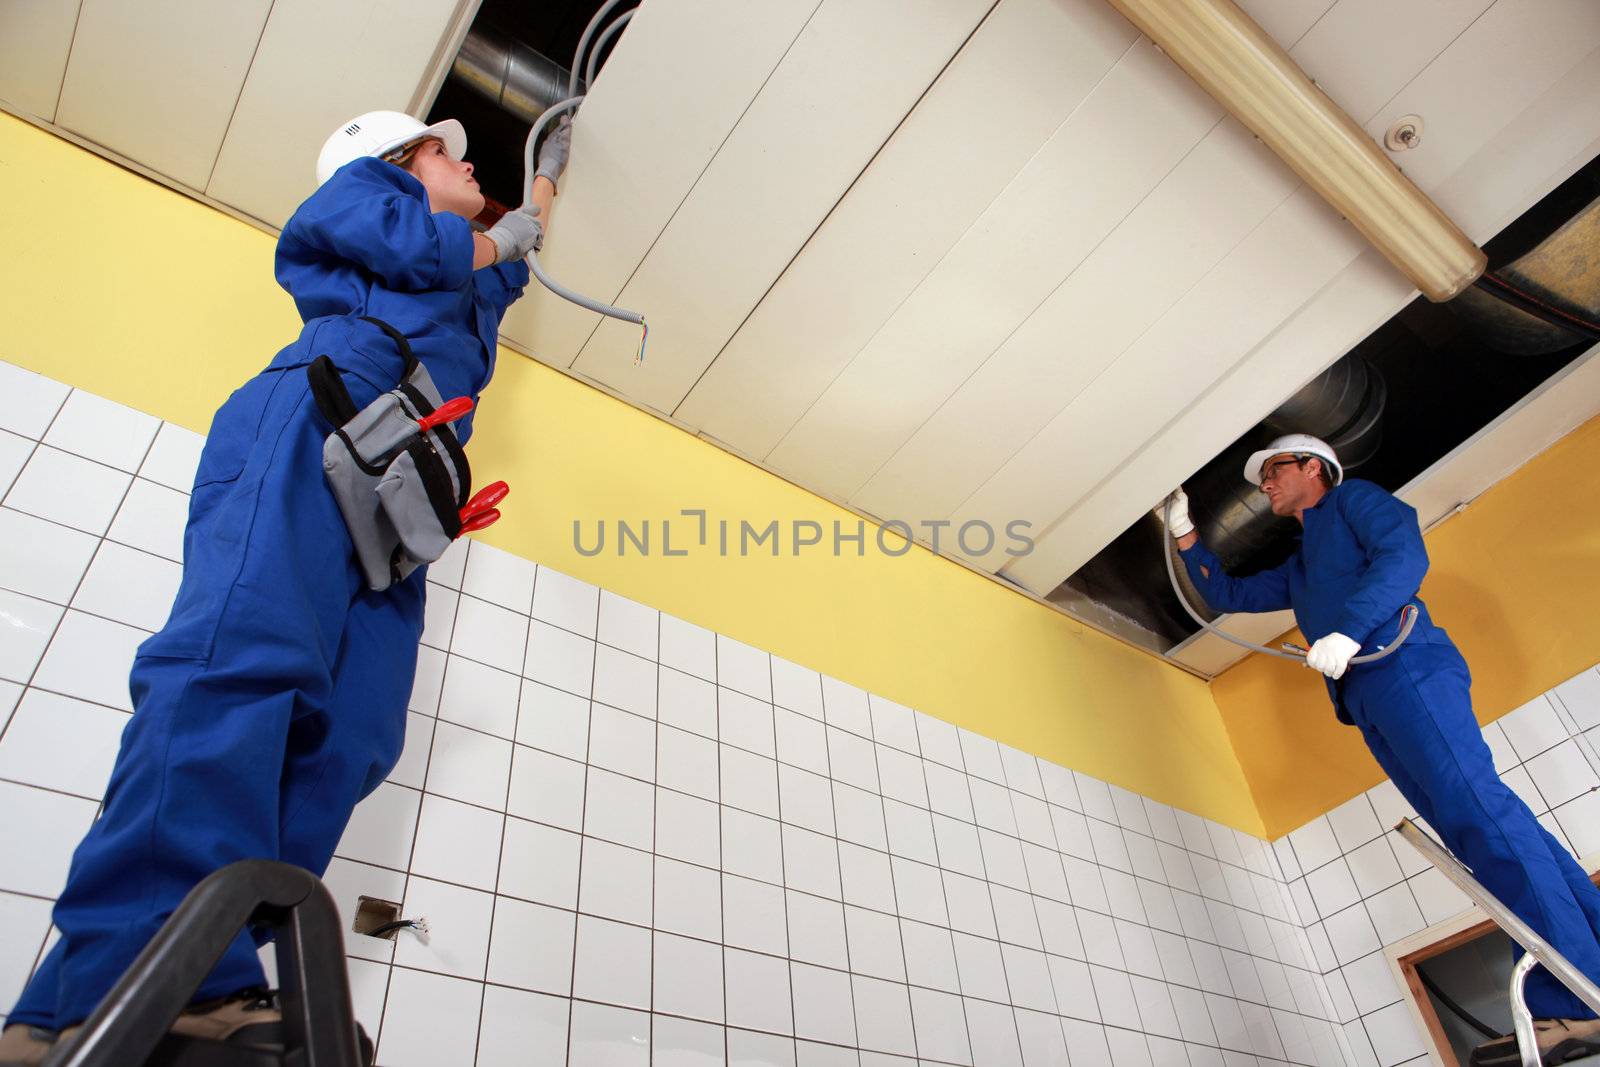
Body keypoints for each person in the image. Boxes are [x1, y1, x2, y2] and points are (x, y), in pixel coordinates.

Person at [0, 109, 572, 1065]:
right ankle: (146, 967)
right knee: (243, 662)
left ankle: (139, 990)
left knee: (353, 737)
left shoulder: (463, 269)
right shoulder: (364, 196)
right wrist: (493, 233)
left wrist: (547, 175)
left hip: (404, 486)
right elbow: (414, 237)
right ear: (395, 162)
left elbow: (512, 250)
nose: (470, 166)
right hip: (324, 413)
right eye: (448, 153)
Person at [1166, 433, 1600, 1067]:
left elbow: (1402, 553)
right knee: (1479, 823)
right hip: (1369, 694)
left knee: (1481, 819)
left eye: (1274, 471)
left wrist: (1344, 629)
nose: (1264, 484)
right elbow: (1228, 597)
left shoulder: (1354, 504)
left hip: (1406, 667)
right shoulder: (1305, 562)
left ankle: (1575, 1002)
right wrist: (1184, 535)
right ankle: (1589, 969)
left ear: (1313, 467)